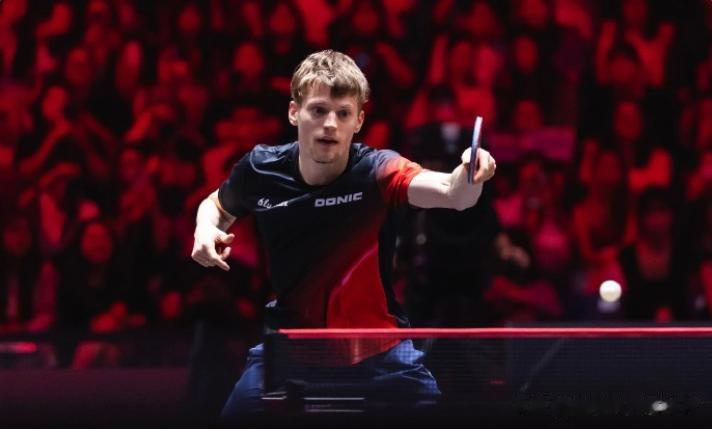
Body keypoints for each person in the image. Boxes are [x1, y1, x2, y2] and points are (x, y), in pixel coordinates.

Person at [190, 50, 496, 418]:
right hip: (290, 351)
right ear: (294, 112)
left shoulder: (378, 172)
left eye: (343, 113)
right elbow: (218, 204)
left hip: (380, 356)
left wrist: (469, 175)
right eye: (318, 110)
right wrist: (206, 227)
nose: (330, 124)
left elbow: (453, 194)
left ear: (359, 120)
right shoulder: (261, 169)